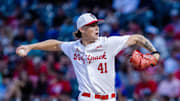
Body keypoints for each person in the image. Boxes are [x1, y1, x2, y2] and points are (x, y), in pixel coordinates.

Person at [16, 13, 160, 101]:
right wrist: (30, 47)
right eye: (92, 26)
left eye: (97, 24)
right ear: (82, 29)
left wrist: (154, 52)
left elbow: (137, 38)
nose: (96, 28)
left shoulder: (108, 43)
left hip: (110, 98)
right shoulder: (74, 47)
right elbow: (55, 44)